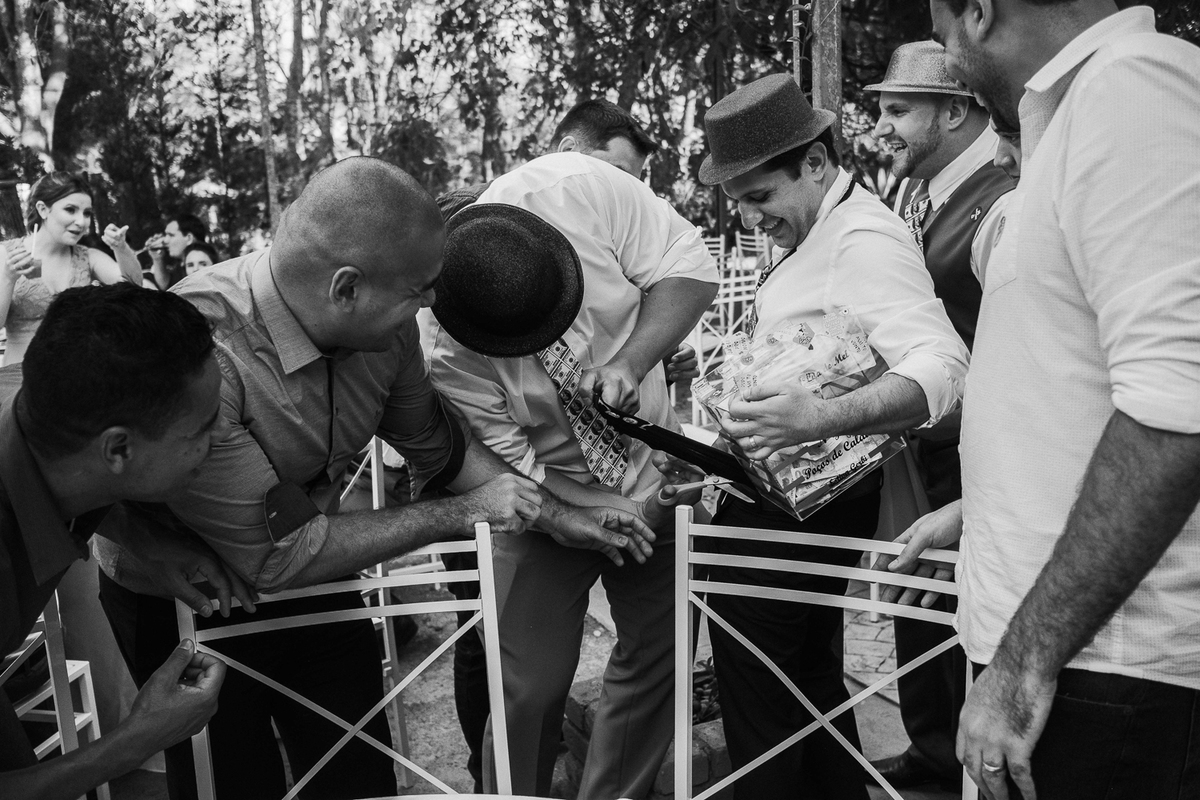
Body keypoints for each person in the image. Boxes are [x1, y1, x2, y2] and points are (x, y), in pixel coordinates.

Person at [94, 156, 657, 800]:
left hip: (317, 568)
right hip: (189, 594)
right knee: (233, 781)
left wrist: (562, 516)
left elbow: (439, 447)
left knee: (355, 773)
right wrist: (460, 512)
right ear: (347, 289)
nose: (434, 303)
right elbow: (277, 556)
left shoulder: (384, 334)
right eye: (420, 289)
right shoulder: (203, 348)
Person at [885, 2, 1200, 798]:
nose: (950, 58)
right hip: (1069, 651)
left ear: (980, 12)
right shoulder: (1089, 108)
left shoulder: (1134, 89)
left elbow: (1179, 415)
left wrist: (1022, 666)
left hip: (1100, 666)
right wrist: (980, 509)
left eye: (944, 34)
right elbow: (1078, 387)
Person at [688, 74, 969, 800]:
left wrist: (820, 419)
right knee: (804, 686)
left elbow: (944, 367)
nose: (749, 218)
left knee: (763, 699)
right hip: (783, 496)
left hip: (800, 509)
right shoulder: (817, 225)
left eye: (759, 196)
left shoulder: (861, 238)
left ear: (814, 163)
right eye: (738, 201)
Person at [428, 151, 718, 799]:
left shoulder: (576, 188)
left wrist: (633, 360)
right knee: (528, 688)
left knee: (660, 661)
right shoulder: (444, 349)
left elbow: (691, 267)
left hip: (652, 473)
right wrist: (577, 515)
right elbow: (509, 459)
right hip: (543, 502)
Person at [0, 282, 260, 799]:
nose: (222, 438)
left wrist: (143, 537)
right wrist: (137, 740)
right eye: (204, 428)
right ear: (118, 449)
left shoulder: (41, 413)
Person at [864, 40, 1014, 791]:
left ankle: (969, 768)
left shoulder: (1005, 199)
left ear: (954, 112)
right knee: (915, 596)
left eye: (898, 110)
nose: (880, 128)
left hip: (980, 449)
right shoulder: (913, 195)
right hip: (919, 440)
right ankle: (929, 755)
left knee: (972, 612)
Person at [0, 172, 141, 365]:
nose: (81, 222)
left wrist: (121, 248)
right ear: (43, 209)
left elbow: (134, 288)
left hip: (78, 374)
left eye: (87, 213)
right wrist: (8, 279)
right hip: (20, 374)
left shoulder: (88, 257)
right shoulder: (5, 255)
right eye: (70, 210)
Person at [144, 213, 208, 290]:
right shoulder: (180, 265)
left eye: (171, 235)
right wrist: (157, 258)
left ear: (189, 238)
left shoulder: (202, 263)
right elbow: (166, 287)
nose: (165, 240)